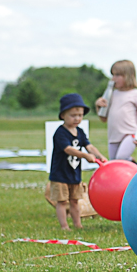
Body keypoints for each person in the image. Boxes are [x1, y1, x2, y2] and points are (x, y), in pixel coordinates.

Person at [50, 93, 107, 230]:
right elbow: (68, 150)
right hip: (60, 174)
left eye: (80, 115)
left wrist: (99, 156)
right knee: (62, 201)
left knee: (75, 200)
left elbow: (89, 146)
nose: (77, 119)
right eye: (73, 115)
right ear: (63, 115)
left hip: (74, 174)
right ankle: (64, 226)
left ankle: (77, 224)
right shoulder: (60, 133)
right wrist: (85, 156)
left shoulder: (80, 132)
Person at [94, 59, 137, 161]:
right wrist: (98, 106)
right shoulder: (112, 94)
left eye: (117, 75)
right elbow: (103, 119)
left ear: (128, 76)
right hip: (113, 137)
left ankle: (131, 162)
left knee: (121, 158)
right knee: (114, 162)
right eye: (113, 75)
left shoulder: (136, 94)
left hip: (130, 134)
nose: (113, 79)